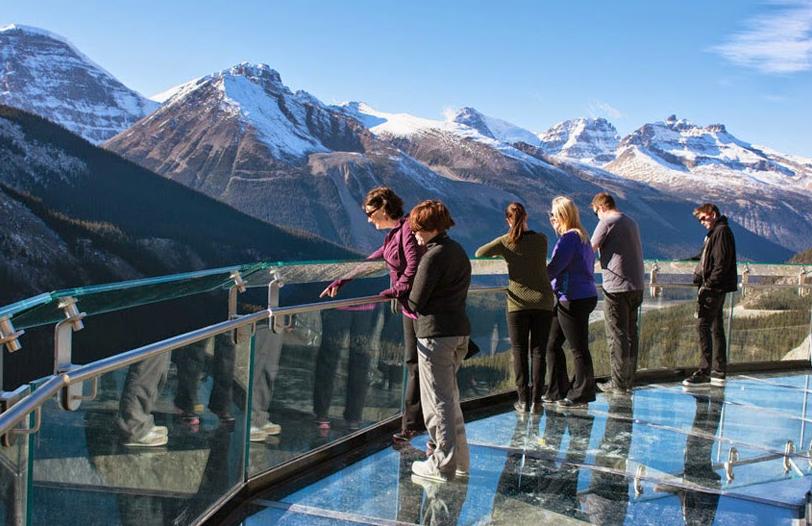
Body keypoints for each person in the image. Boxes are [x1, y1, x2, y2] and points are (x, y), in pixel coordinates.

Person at [320, 187, 426, 442]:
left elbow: (413, 267)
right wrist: (343, 280)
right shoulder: (395, 233)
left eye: (370, 213)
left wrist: (394, 291)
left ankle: (415, 425)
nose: (368, 219)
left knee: (419, 368)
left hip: (420, 309)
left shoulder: (406, 231)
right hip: (410, 309)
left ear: (384, 208)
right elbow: (374, 260)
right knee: (414, 366)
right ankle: (414, 424)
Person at [406, 200, 471, 483]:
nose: (415, 234)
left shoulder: (432, 257)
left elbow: (415, 301)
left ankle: (441, 465)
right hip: (459, 332)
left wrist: (399, 294)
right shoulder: (458, 251)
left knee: (438, 403)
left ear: (431, 227)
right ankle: (461, 462)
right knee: (450, 400)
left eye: (418, 229)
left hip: (435, 336)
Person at [475, 202, 554, 414]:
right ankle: (537, 401)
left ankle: (523, 400)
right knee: (538, 351)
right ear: (526, 216)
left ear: (508, 220)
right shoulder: (542, 239)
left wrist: (503, 249)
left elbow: (480, 252)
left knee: (519, 351)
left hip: (518, 303)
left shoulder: (505, 241)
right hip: (543, 302)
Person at [545, 196, 599, 409]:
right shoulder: (582, 237)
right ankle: (559, 389)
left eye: (553, 215)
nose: (552, 219)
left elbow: (555, 267)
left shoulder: (568, 239)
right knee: (553, 343)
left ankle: (581, 394)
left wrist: (536, 280)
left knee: (577, 348)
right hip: (583, 295)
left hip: (572, 298)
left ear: (562, 216)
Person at [590, 192, 645, 394]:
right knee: (631, 334)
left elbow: (590, 248)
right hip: (636, 285)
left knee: (616, 335)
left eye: (596, 212)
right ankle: (629, 379)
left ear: (602, 208)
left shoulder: (607, 222)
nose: (597, 216)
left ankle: (618, 383)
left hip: (616, 286)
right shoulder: (631, 221)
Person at [683, 203, 737, 387]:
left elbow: (721, 262)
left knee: (703, 325)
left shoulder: (721, 232)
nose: (702, 222)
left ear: (712, 214)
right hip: (717, 286)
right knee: (716, 326)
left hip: (714, 288)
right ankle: (718, 369)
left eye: (703, 218)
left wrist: (709, 284)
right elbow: (706, 256)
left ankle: (704, 371)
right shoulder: (717, 232)